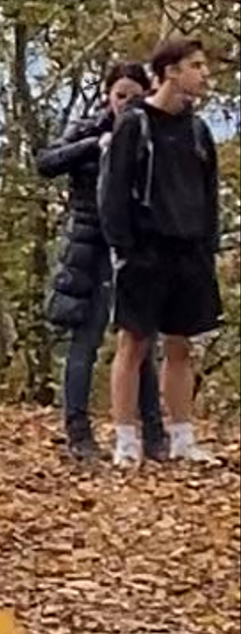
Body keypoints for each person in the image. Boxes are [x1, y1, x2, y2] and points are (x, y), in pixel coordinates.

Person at [100, 36, 221, 466]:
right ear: (171, 71)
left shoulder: (198, 129)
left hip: (189, 252)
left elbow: (210, 195)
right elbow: (113, 192)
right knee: (133, 344)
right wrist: (124, 247)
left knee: (180, 345)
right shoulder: (135, 124)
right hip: (144, 251)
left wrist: (208, 247)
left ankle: (183, 439)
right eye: (196, 65)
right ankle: (126, 441)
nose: (205, 74)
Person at [40, 59, 156, 466]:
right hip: (87, 245)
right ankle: (78, 431)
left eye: (135, 97)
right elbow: (46, 162)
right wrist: (94, 145)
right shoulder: (89, 128)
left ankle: (153, 432)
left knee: (140, 341)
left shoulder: (150, 134)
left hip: (134, 247)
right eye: (120, 95)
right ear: (108, 95)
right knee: (85, 338)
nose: (126, 103)